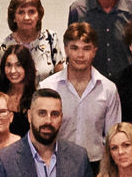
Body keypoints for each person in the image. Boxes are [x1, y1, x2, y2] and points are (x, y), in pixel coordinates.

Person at [39, 23, 121, 161]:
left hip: (95, 164)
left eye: (86, 48)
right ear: (66, 50)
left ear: (94, 51)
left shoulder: (108, 89)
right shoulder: (47, 87)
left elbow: (112, 137)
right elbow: (39, 133)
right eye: (74, 48)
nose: (80, 55)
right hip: (56, 162)